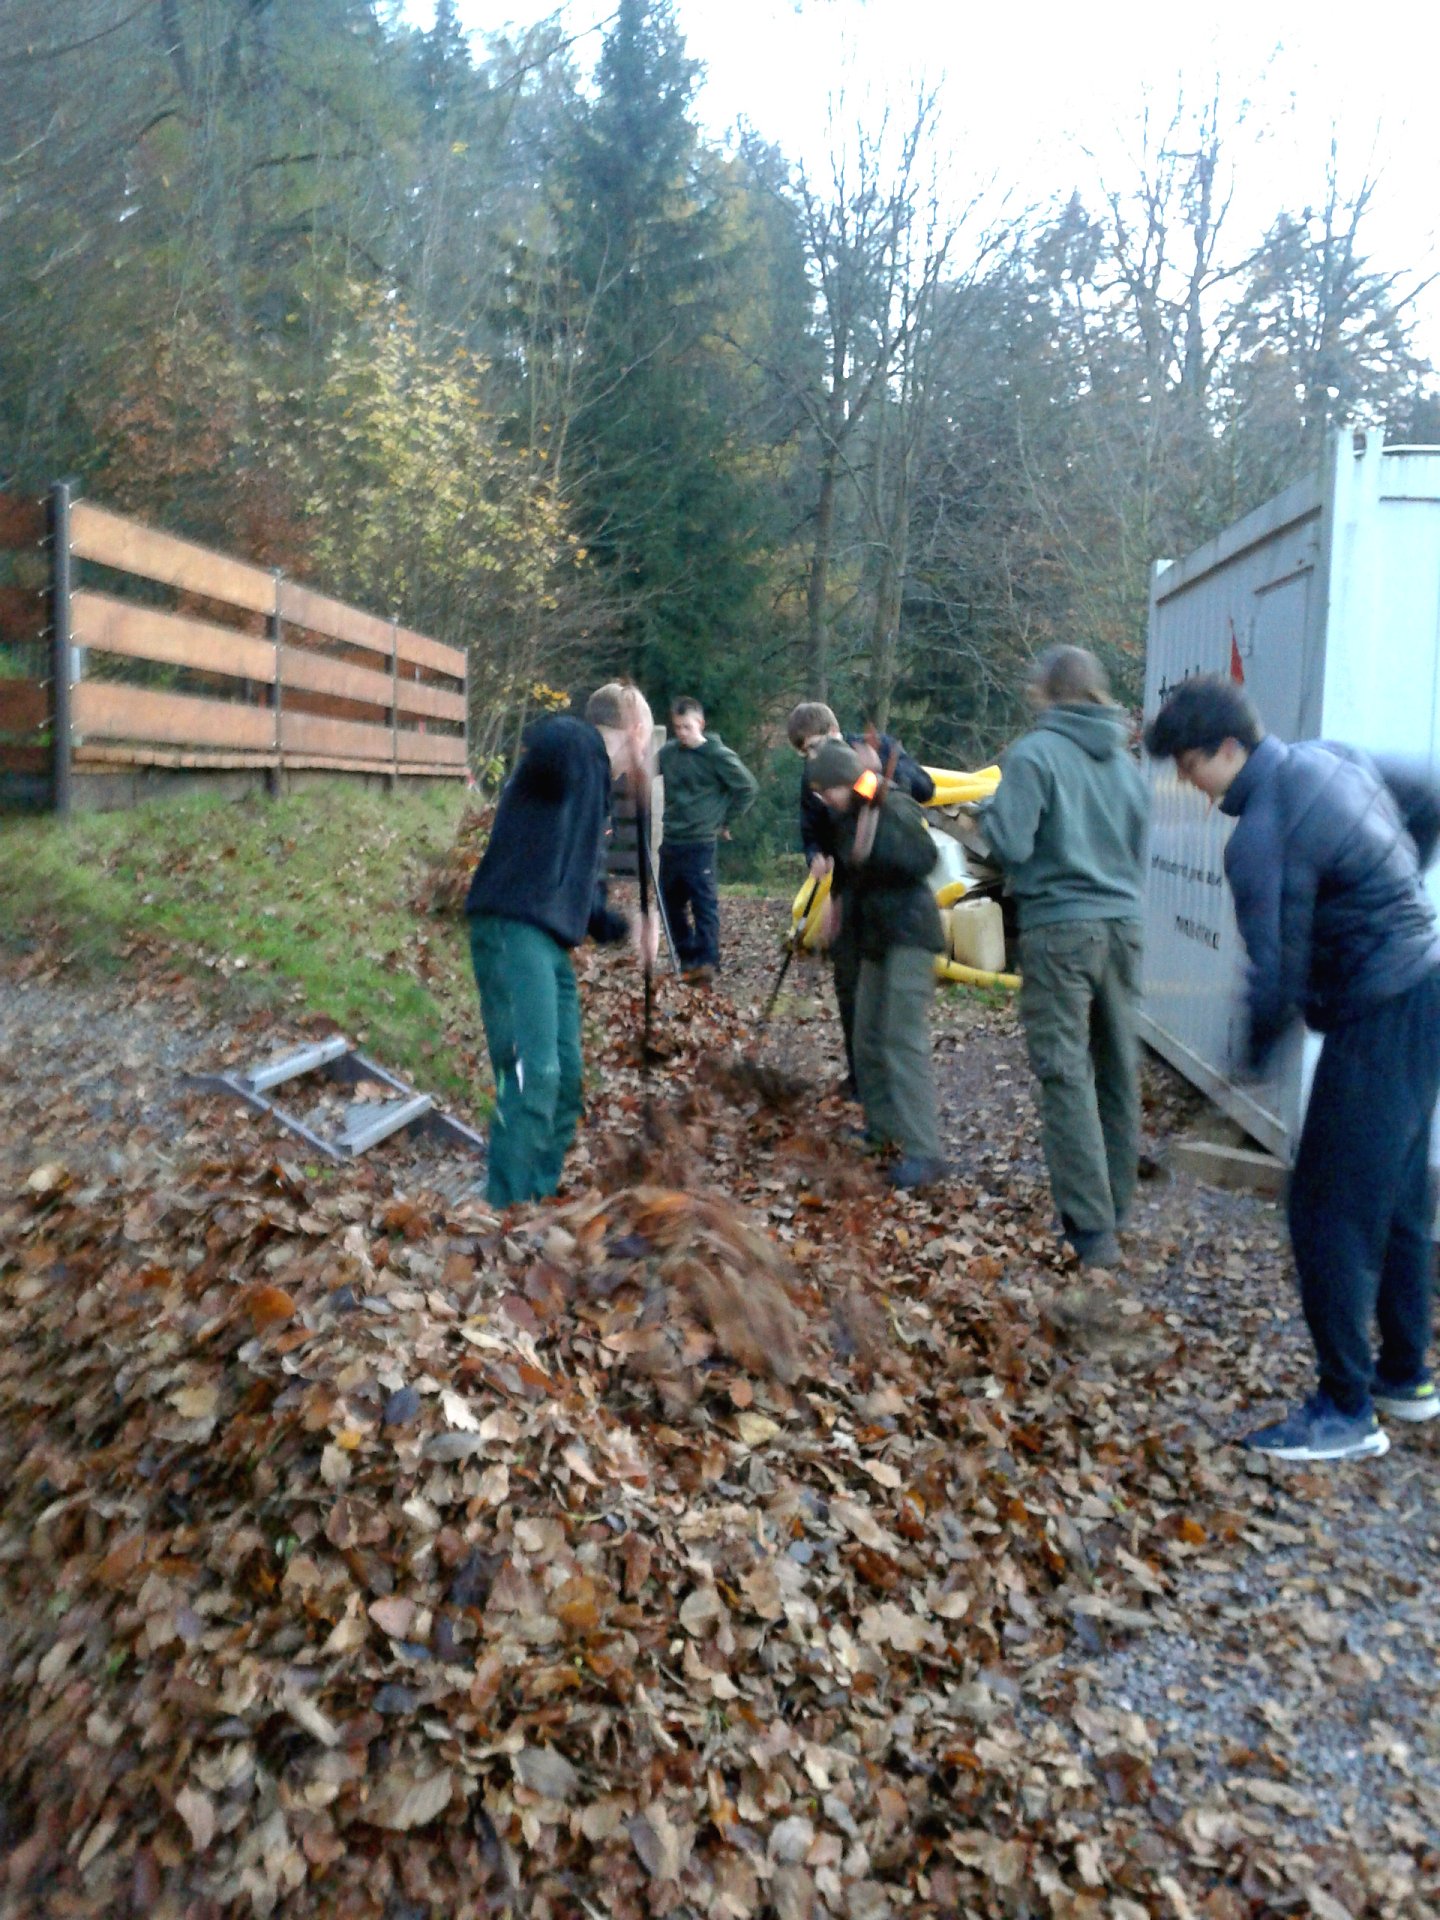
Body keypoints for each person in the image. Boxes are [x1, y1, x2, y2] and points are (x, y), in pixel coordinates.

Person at [1145, 676, 1440, 1462]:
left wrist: (1246, 1060)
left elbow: (1275, 974)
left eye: (1190, 765)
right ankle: (1405, 1378)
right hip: (1426, 986)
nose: (1189, 783)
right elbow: (1427, 801)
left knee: (1325, 1210)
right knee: (1401, 1196)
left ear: (1226, 748)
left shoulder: (1262, 831)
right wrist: (1391, 897)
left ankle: (1345, 1410)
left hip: (1380, 1011)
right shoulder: (1331, 760)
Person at [975, 647, 1148, 1271]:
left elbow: (1011, 842)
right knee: (1118, 1068)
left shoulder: (1034, 755)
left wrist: (988, 813)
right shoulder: (1127, 763)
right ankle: (1116, 1207)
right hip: (1124, 926)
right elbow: (1138, 846)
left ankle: (1090, 1229)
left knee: (1065, 1071)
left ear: (1044, 691)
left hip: (1059, 929)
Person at [465, 683, 658, 1209]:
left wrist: (629, 927)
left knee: (567, 1079)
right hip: (512, 928)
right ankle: (506, 1211)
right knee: (535, 1073)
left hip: (551, 942)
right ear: (636, 730)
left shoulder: (597, 796)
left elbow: (587, 903)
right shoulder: (575, 748)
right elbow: (552, 744)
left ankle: (538, 1199)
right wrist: (596, 739)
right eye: (645, 738)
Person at [805, 737, 947, 1190]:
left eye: (828, 791)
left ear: (845, 781)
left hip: (910, 934)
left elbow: (924, 858)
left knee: (903, 1041)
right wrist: (838, 906)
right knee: (866, 1038)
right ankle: (882, 1129)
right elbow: (851, 872)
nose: (825, 800)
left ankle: (925, 1152)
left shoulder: (890, 805)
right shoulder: (848, 817)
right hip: (873, 938)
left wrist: (876, 842)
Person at [786, 701, 936, 1093]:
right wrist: (815, 855)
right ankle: (860, 1078)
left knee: (888, 993)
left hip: (891, 892)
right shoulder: (813, 778)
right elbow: (812, 829)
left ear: (834, 731)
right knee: (848, 984)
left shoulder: (876, 749)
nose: (813, 758)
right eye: (805, 753)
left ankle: (891, 1080)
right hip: (846, 889)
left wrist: (877, 772)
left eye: (816, 746)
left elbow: (924, 788)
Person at [656, 696, 759, 983]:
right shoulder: (669, 754)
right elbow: (643, 771)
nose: (682, 733)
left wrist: (725, 821)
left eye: (687, 727)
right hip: (672, 839)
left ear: (700, 724)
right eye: (677, 727)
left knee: (704, 905)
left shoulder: (717, 755)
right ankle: (688, 958)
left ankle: (708, 963)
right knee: (669, 904)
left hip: (700, 842)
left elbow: (747, 788)